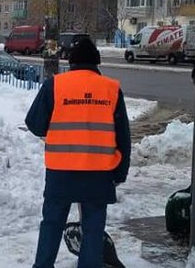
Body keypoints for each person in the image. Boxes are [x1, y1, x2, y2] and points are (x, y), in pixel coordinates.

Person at [25, 38, 131, 268]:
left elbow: (34, 123)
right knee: (93, 229)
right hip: (99, 173)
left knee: (52, 223)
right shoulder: (111, 89)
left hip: (60, 172)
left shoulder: (55, 85)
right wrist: (120, 173)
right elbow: (123, 137)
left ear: (71, 62)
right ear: (96, 63)